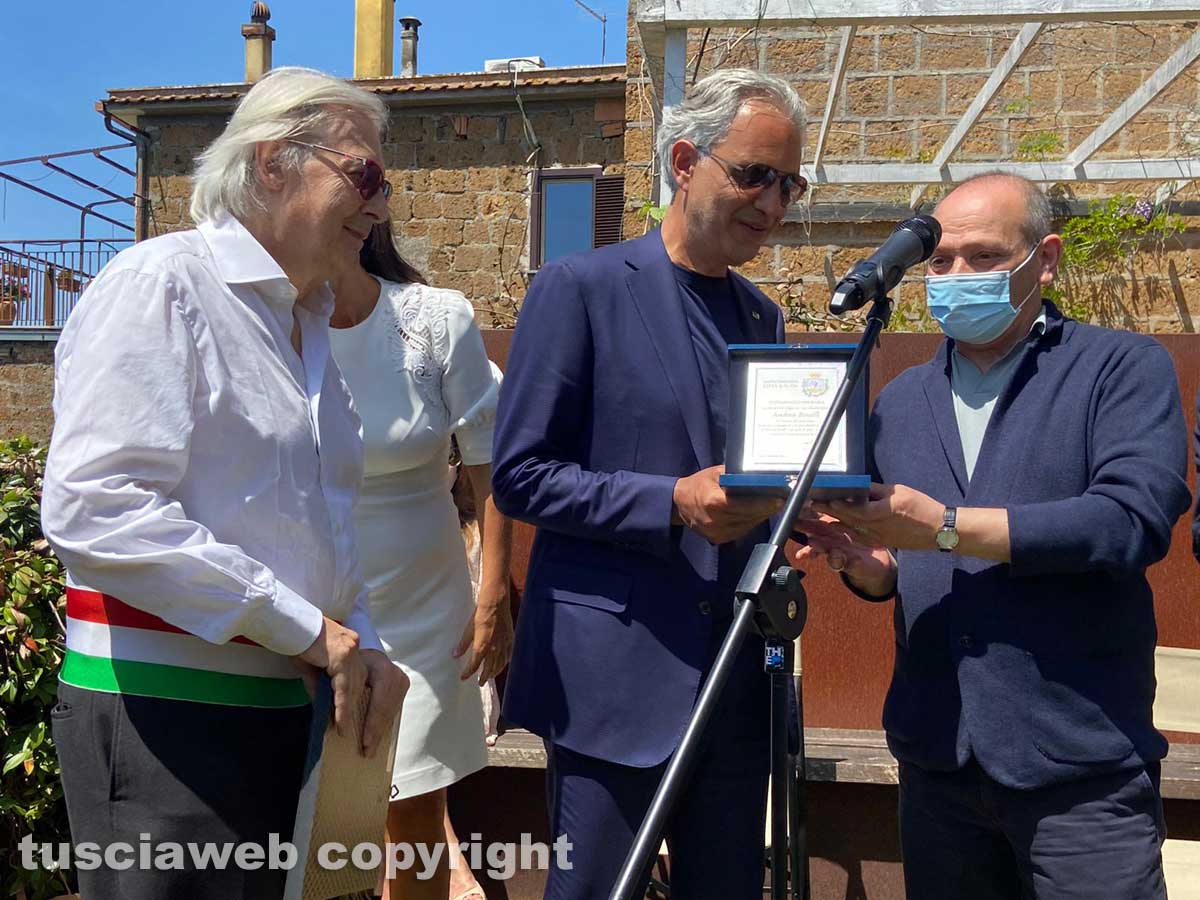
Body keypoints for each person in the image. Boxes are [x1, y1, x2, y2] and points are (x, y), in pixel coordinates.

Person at [40, 67, 409, 900]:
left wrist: (363, 644)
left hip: (283, 720)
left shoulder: (306, 328)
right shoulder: (160, 285)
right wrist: (310, 631)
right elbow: (96, 509)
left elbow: (323, 530)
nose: (381, 208)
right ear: (274, 162)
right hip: (167, 721)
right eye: (366, 176)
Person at [792, 173, 1190, 900]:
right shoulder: (903, 399)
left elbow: (1131, 520)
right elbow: (900, 560)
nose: (957, 275)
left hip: (1078, 767)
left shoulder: (1119, 368)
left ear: (1045, 259)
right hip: (938, 761)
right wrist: (868, 565)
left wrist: (946, 527)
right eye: (942, 261)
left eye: (983, 257)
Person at [491, 68, 805, 899]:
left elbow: (752, 480)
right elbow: (520, 476)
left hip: (735, 682)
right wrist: (670, 502)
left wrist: (801, 519)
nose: (773, 204)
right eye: (755, 175)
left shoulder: (763, 318)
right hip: (611, 685)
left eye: (789, 184)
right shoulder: (579, 289)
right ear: (684, 161)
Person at [329, 223, 513, 900]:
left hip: (426, 610)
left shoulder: (434, 320)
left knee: (413, 816)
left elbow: (492, 465)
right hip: (315, 608)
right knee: (326, 823)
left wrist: (493, 595)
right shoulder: (268, 324)